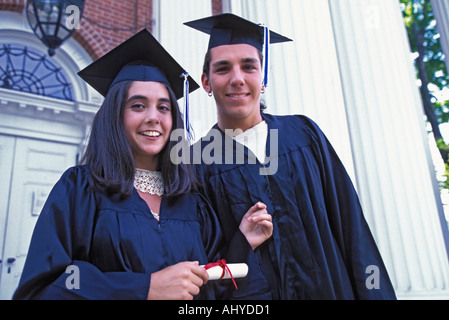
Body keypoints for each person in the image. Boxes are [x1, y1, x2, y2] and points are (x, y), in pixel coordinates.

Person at [12, 29, 273, 300]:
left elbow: (210, 285)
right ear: (115, 115)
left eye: (163, 108)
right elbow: (44, 288)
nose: (153, 118)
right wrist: (143, 288)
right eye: (138, 106)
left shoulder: (191, 201)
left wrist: (242, 242)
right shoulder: (81, 189)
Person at [185, 13, 397, 300]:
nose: (237, 78)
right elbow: (202, 262)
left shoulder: (304, 134)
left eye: (249, 66)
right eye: (223, 69)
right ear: (206, 83)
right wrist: (242, 242)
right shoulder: (196, 165)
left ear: (263, 77)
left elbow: (352, 229)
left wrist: (375, 294)